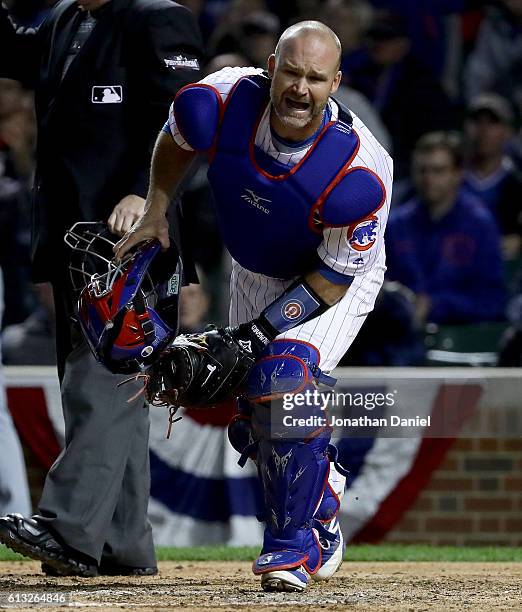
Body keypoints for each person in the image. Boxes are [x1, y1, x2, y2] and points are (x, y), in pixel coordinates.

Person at [115, 20, 393, 592]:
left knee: (282, 379)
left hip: (331, 275)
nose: (300, 88)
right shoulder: (221, 100)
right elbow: (176, 139)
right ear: (271, 66)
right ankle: (324, 489)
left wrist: (258, 333)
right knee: (252, 418)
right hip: (254, 264)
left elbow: (333, 279)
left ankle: (299, 548)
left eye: (316, 79)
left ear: (335, 83)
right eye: (291, 71)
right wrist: (156, 208)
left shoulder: (360, 169)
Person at [0, 0, 203, 577]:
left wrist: (150, 194)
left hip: (134, 238)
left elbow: (185, 123)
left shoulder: (157, 18)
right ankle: (122, 542)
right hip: (76, 242)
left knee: (104, 380)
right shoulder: (63, 17)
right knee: (113, 391)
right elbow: (10, 45)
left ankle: (69, 530)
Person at [386, 131, 506, 326]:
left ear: (458, 174)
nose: (428, 179)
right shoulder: (395, 225)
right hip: (401, 335)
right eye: (422, 170)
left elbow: (493, 301)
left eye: (438, 170)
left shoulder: (479, 225)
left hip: (462, 336)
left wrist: (435, 306)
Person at [462, 93, 522, 261]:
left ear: (509, 131)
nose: (483, 130)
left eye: (493, 122)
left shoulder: (517, 185)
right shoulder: (448, 177)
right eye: (476, 121)